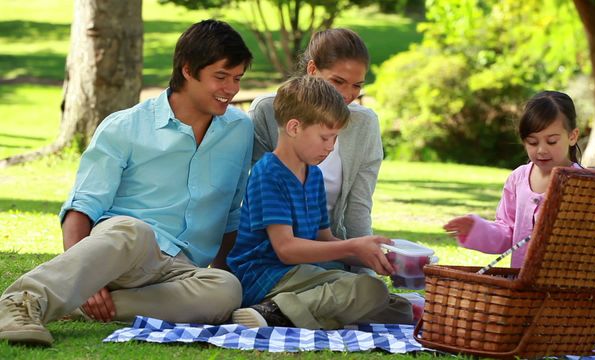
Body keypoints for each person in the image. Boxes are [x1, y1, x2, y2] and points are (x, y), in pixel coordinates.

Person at [0, 19, 254, 346]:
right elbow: (81, 209)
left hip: (178, 272)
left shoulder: (239, 130)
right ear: (188, 70)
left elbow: (231, 213)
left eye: (237, 79)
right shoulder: (125, 126)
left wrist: (220, 274)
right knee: (134, 230)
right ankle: (21, 300)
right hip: (120, 255)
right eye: (220, 77)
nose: (231, 89)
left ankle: (80, 306)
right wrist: (92, 281)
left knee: (226, 289)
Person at [227, 76, 412, 330]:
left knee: (399, 309)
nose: (330, 147)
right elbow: (286, 249)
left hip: (298, 275)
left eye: (335, 138)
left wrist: (371, 256)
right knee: (368, 290)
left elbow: (324, 238)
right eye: (325, 138)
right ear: (294, 128)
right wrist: (354, 247)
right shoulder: (268, 173)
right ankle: (272, 312)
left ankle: (293, 312)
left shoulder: (313, 174)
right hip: (265, 276)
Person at [251, 28, 382, 246]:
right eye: (337, 81)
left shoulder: (365, 124)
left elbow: (358, 209)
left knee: (367, 282)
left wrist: (364, 263)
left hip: (331, 249)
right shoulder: (268, 111)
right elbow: (249, 198)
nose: (347, 94)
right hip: (271, 253)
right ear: (312, 69)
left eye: (357, 85)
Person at [443, 91, 582, 268]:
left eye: (552, 141)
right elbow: (507, 232)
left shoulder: (583, 183)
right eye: (532, 142)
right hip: (520, 287)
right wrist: (478, 229)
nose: (541, 150)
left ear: (572, 136)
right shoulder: (518, 179)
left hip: (566, 287)